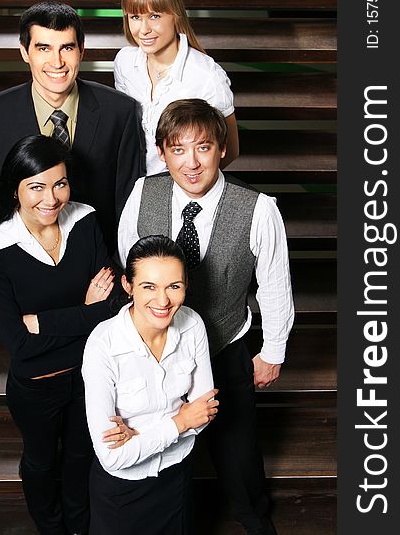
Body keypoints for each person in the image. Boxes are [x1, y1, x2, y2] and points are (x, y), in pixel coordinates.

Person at [118, 99, 294, 535]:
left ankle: (254, 517)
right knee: (161, 445)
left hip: (225, 345)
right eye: (178, 150)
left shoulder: (258, 208)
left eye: (203, 148)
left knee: (237, 451)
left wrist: (272, 351)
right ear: (163, 152)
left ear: (221, 149)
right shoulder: (144, 192)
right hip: (156, 349)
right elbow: (130, 263)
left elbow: (274, 284)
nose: (191, 163)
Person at [0, 135, 117, 535]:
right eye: (36, 186)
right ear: (16, 189)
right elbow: (20, 345)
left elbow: (111, 308)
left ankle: (78, 526)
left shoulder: (85, 220)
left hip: (90, 374)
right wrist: (87, 312)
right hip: (38, 387)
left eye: (60, 183)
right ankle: (50, 528)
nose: (51, 198)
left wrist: (43, 321)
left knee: (81, 457)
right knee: (41, 463)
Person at [0, 0, 144, 254]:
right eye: (43, 48)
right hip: (26, 271)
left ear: (82, 51)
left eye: (67, 48)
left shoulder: (120, 112)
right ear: (24, 51)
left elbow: (129, 210)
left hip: (102, 270)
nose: (57, 62)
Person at [82, 235, 218, 535]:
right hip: (122, 491)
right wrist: (179, 421)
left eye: (174, 286)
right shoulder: (102, 344)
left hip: (177, 474)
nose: (163, 300)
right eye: (149, 287)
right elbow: (113, 455)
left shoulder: (192, 324)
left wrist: (139, 435)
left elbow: (205, 414)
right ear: (127, 286)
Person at [114, 0, 239, 175]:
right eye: (135, 17)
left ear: (175, 15)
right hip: (130, 189)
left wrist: (188, 182)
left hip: (179, 192)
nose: (143, 29)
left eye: (154, 16)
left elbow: (231, 150)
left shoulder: (207, 76)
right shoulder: (125, 62)